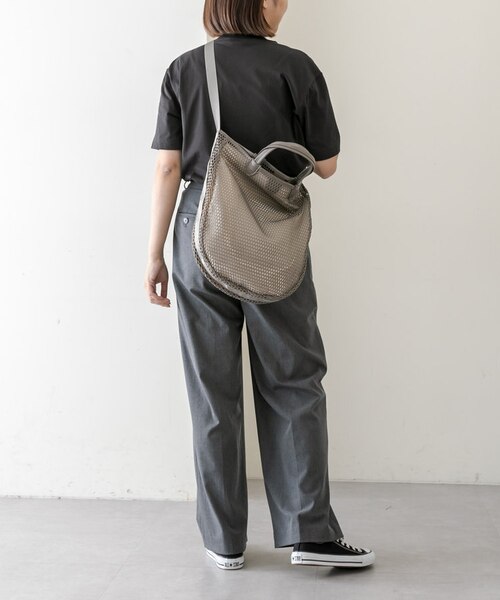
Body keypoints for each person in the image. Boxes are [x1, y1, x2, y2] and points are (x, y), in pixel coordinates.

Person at [144, 0, 375, 571]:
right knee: (294, 379)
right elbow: (327, 165)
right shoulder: (296, 67)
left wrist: (154, 254)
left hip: (198, 231)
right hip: (271, 235)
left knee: (211, 391)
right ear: (262, 3)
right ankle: (309, 534)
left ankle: (223, 543)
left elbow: (168, 168)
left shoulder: (184, 69)